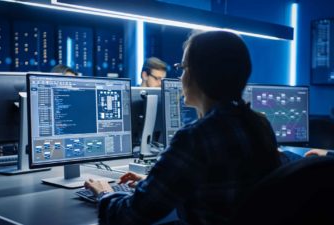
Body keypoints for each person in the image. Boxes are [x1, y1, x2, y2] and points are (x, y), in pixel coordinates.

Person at [84, 31, 283, 225]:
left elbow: (129, 217)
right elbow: (221, 185)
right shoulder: (259, 124)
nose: (180, 78)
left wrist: (104, 192)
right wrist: (153, 182)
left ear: (200, 74)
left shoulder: (196, 137)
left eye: (183, 68)